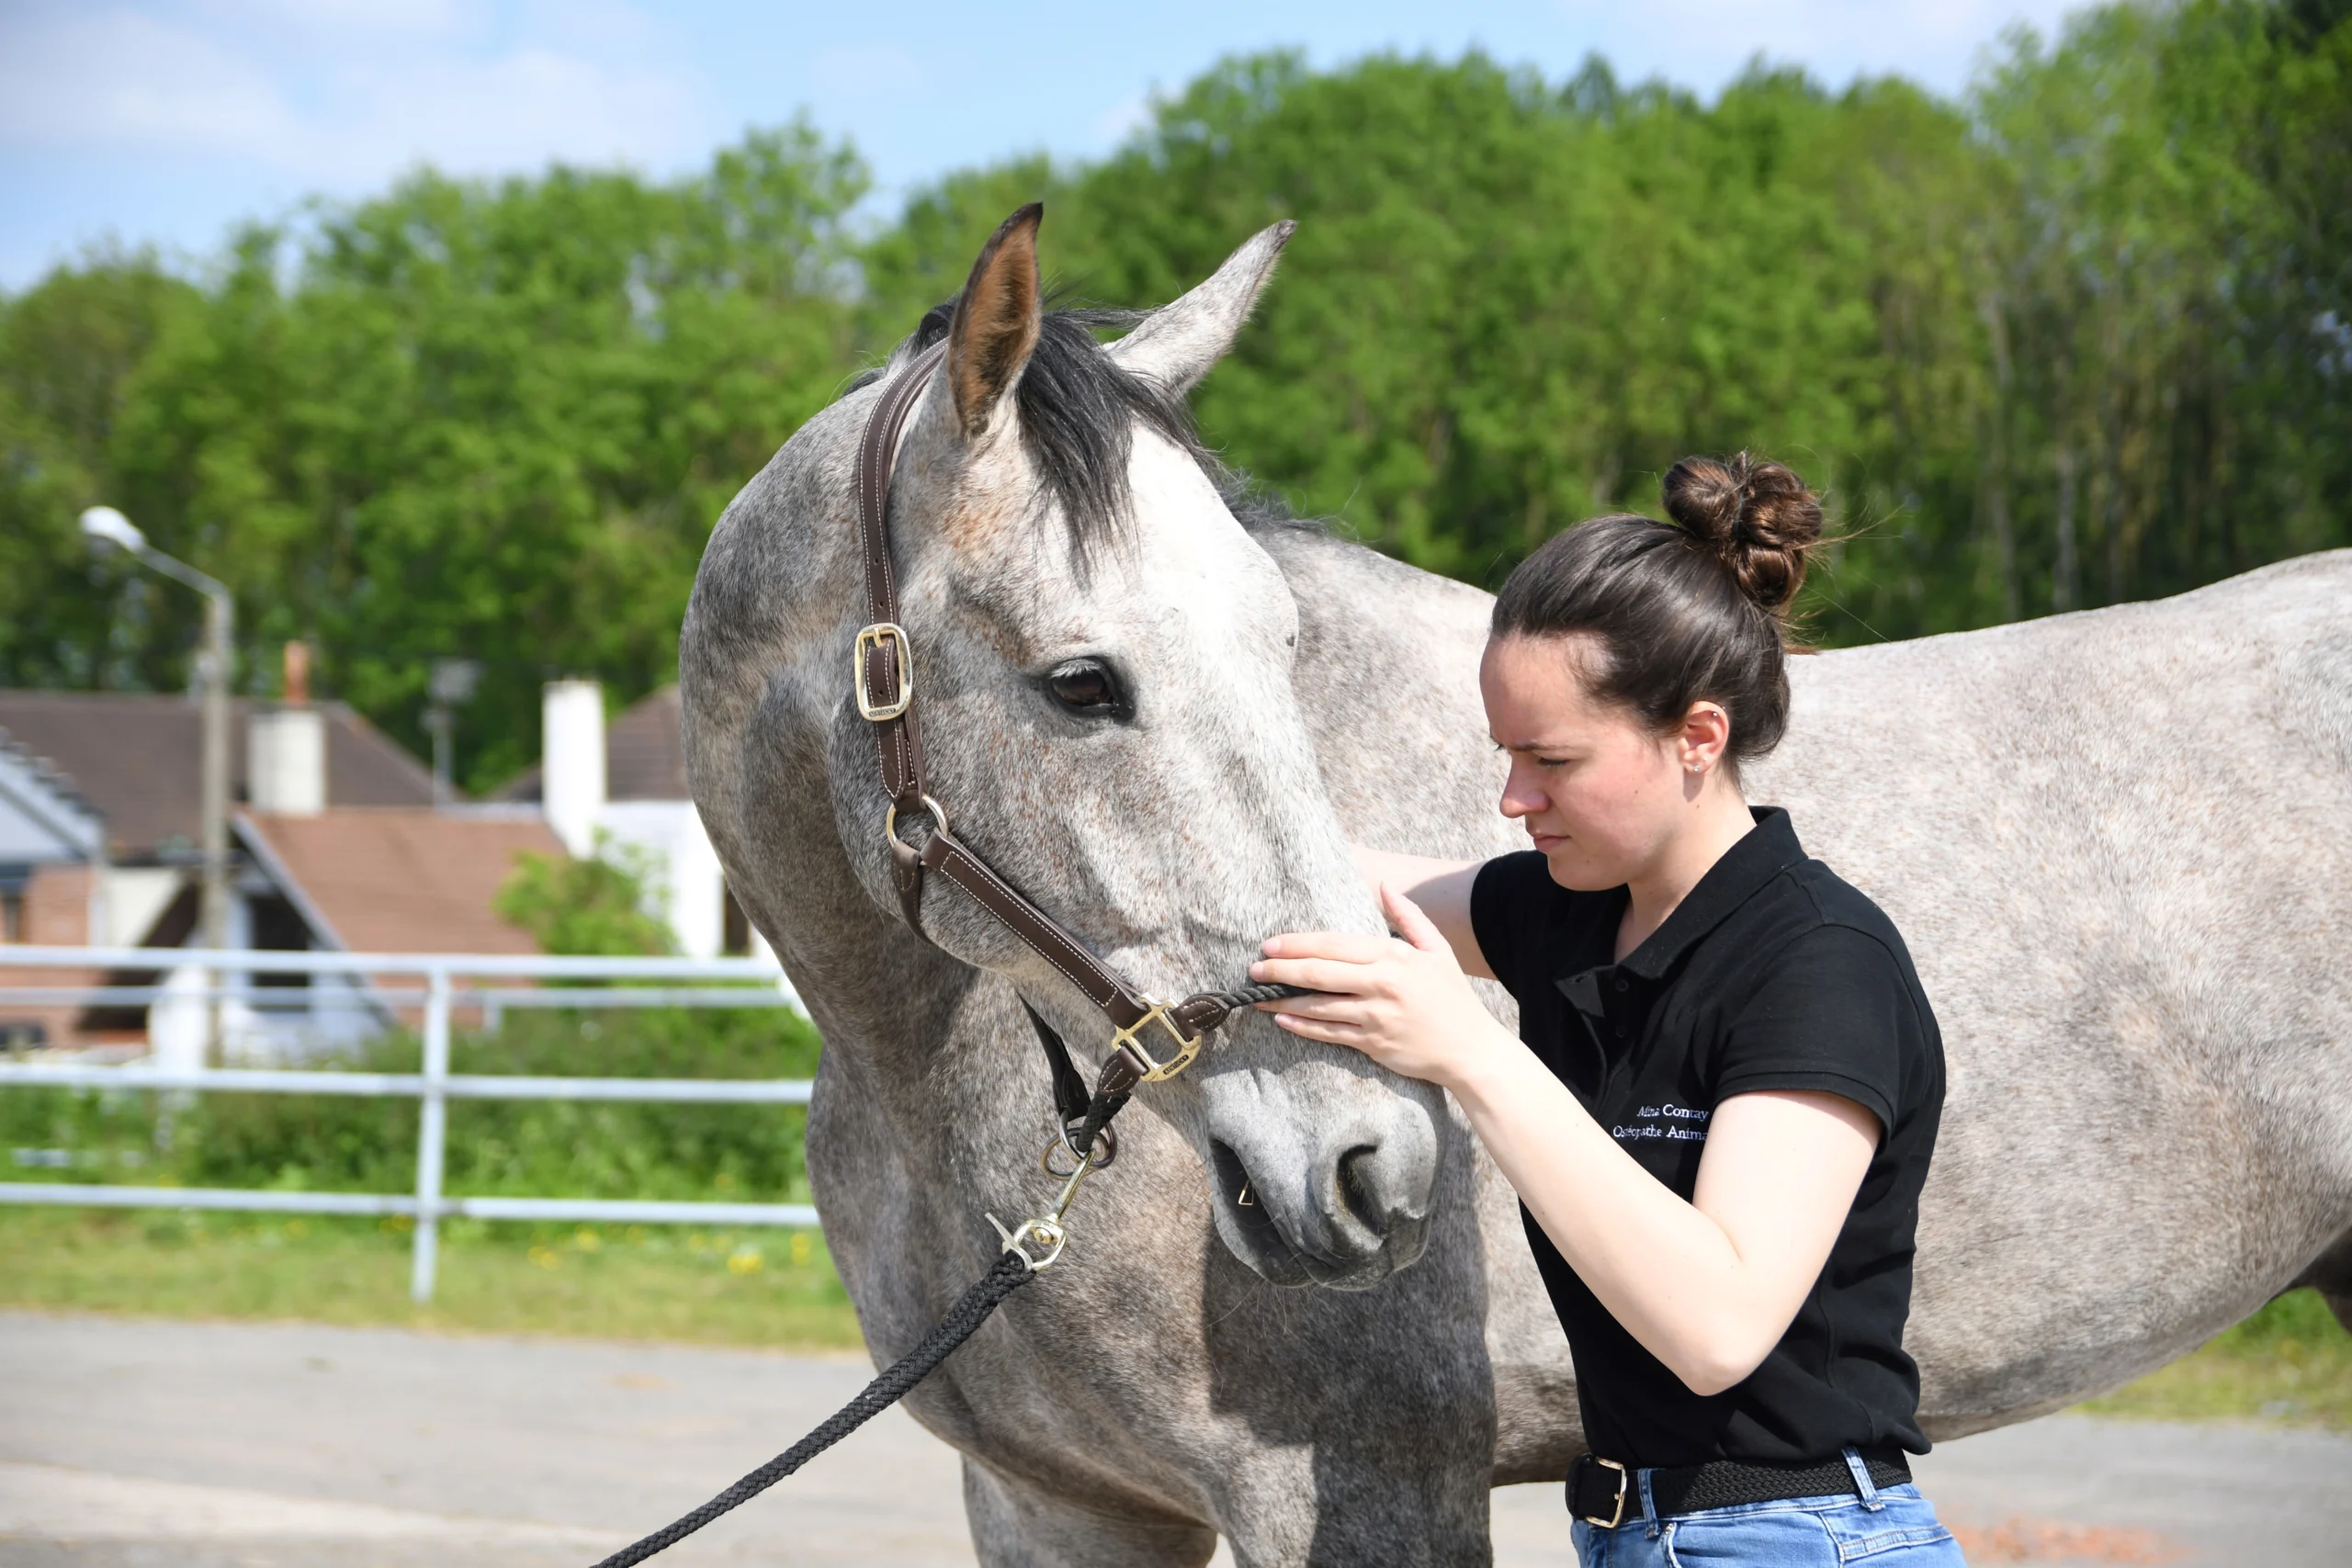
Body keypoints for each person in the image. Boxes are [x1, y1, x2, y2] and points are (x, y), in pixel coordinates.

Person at [1250, 454, 1963, 1566]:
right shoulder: (1570, 913)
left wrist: (1470, 1055)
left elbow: (1716, 1327)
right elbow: (1306, 886)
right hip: (1636, 1534)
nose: (1513, 798)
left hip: (1795, 1536)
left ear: (1698, 738)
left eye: (1553, 759)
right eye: (1506, 755)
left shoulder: (1819, 963)